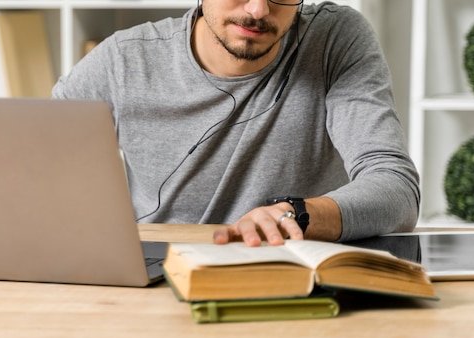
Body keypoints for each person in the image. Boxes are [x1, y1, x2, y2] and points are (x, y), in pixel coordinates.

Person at [52, 0, 422, 261]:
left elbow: (395, 187)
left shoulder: (334, 39)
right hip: (161, 274)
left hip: (290, 269)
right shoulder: (123, 61)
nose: (259, 10)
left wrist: (297, 214)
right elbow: (36, 170)